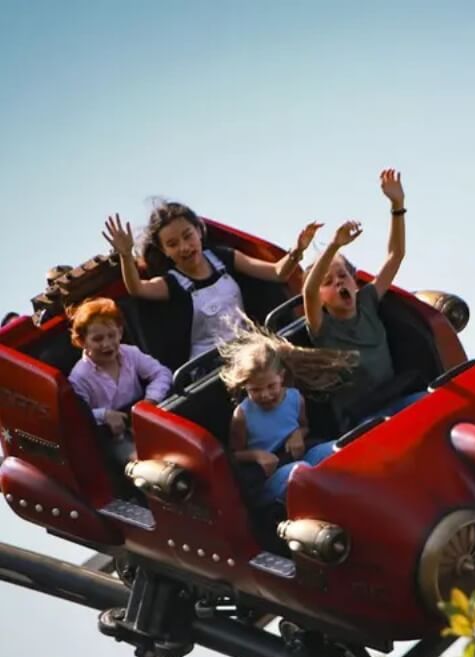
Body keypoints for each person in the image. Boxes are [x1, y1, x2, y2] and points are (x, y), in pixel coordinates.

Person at [102, 203, 321, 367]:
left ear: (199, 231)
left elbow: (277, 272)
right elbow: (137, 288)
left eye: (188, 236)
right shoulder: (171, 283)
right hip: (212, 366)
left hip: (252, 348)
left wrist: (298, 250)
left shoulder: (222, 258)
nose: (184, 247)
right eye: (172, 244)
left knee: (305, 360)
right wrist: (125, 255)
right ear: (164, 251)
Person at [303, 168, 418, 432]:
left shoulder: (367, 301)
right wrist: (333, 246)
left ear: (355, 281)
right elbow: (308, 292)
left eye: (343, 276)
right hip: (362, 420)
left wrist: (397, 205)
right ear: (321, 299)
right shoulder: (323, 328)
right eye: (328, 283)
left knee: (434, 405)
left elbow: (396, 255)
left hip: (397, 398)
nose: (339, 283)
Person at [218, 324, 357, 508]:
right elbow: (235, 455)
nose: (265, 395)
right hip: (269, 475)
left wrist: (298, 434)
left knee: (335, 449)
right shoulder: (243, 414)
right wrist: (257, 455)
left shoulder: (294, 397)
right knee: (299, 472)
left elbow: (303, 426)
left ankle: (352, 494)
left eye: (271, 386)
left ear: (281, 377)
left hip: (298, 455)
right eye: (256, 390)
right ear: (245, 387)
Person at [67, 297, 171, 465]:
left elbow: (162, 373)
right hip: (116, 439)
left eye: (111, 335)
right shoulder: (79, 377)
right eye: (98, 339)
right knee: (148, 468)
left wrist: (150, 401)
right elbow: (77, 416)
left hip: (149, 422)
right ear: (82, 341)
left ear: (120, 332)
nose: (107, 344)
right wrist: (104, 415)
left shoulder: (130, 353)